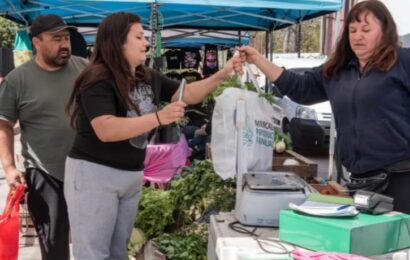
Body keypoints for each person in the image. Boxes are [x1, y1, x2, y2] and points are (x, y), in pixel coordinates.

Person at [64, 12, 236, 260]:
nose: (146, 42)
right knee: (93, 254)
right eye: (139, 37)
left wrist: (223, 74)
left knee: (118, 253)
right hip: (94, 175)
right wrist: (158, 117)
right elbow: (106, 128)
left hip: (131, 174)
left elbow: (186, 94)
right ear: (117, 42)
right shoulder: (97, 78)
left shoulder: (146, 75)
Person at [234, 0, 410, 213]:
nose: (357, 36)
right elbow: (301, 88)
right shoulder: (339, 69)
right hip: (360, 181)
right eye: (352, 30)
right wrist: (259, 60)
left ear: (384, 32)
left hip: (401, 178)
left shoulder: (402, 62)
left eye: (366, 29)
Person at [0, 14, 88, 259]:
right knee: (54, 245)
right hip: (45, 174)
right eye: (56, 38)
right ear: (37, 43)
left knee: (90, 240)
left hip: (86, 169)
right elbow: (4, 125)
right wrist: (9, 167)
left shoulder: (82, 67)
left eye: (67, 38)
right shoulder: (18, 80)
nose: (65, 45)